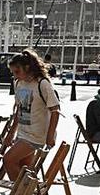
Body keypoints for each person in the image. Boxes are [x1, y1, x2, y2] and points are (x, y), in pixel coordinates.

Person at [5, 50, 61, 183]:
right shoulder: (18, 83)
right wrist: (11, 133)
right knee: (25, 169)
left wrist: (50, 135)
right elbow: (19, 110)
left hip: (37, 134)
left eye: (17, 72)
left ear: (27, 68)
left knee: (8, 160)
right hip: (23, 132)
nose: (15, 75)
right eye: (12, 72)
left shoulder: (42, 84)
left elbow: (55, 110)